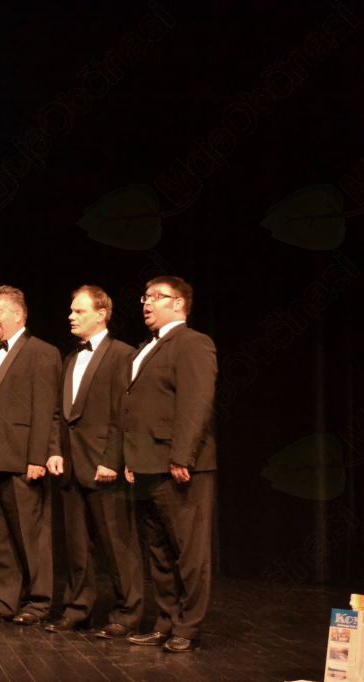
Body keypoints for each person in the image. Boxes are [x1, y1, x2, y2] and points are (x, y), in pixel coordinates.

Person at [122, 276, 217, 654]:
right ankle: (165, 622)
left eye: (156, 297)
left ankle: (188, 628)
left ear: (179, 303)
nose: (147, 303)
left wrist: (182, 456)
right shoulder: (145, 348)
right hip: (146, 465)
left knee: (188, 552)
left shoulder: (193, 343)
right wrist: (131, 458)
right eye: (144, 297)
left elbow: (196, 402)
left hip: (178, 465)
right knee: (159, 552)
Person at [44, 285, 142, 637]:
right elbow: (59, 413)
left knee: (117, 545)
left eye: (79, 311)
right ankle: (77, 609)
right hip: (70, 465)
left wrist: (112, 459)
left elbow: (126, 414)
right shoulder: (69, 358)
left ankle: (127, 614)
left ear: (101, 314)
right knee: (76, 546)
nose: (70, 316)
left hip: (103, 465)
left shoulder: (123, 355)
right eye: (71, 310)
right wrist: (54, 450)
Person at [0, 285, 61, 625]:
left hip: (21, 460)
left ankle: (38, 602)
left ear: (18, 314)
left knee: (30, 535)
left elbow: (46, 410)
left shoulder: (42, 352)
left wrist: (37, 458)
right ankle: (6, 600)